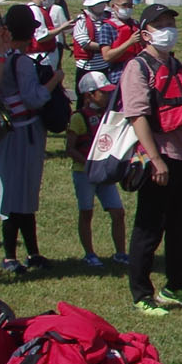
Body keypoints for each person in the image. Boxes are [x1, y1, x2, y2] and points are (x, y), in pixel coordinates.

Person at [124, 6, 182, 317]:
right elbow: (137, 115)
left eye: (171, 23)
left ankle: (175, 284)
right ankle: (142, 293)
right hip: (157, 160)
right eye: (161, 24)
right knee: (149, 227)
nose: (168, 29)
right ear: (145, 33)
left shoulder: (175, 64)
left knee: (179, 225)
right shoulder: (139, 67)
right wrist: (156, 159)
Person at [0, 9, 53, 275]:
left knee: (11, 190)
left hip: (5, 130)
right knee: (21, 193)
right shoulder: (22, 62)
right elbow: (33, 98)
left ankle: (26, 252)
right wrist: (53, 83)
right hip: (24, 132)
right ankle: (14, 255)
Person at [68, 70, 130, 269]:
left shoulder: (108, 116)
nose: (107, 96)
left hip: (104, 173)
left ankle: (121, 253)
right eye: (102, 92)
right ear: (89, 95)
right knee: (86, 213)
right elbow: (70, 147)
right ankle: (89, 253)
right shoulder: (79, 118)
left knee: (118, 212)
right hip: (84, 173)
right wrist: (87, 164)